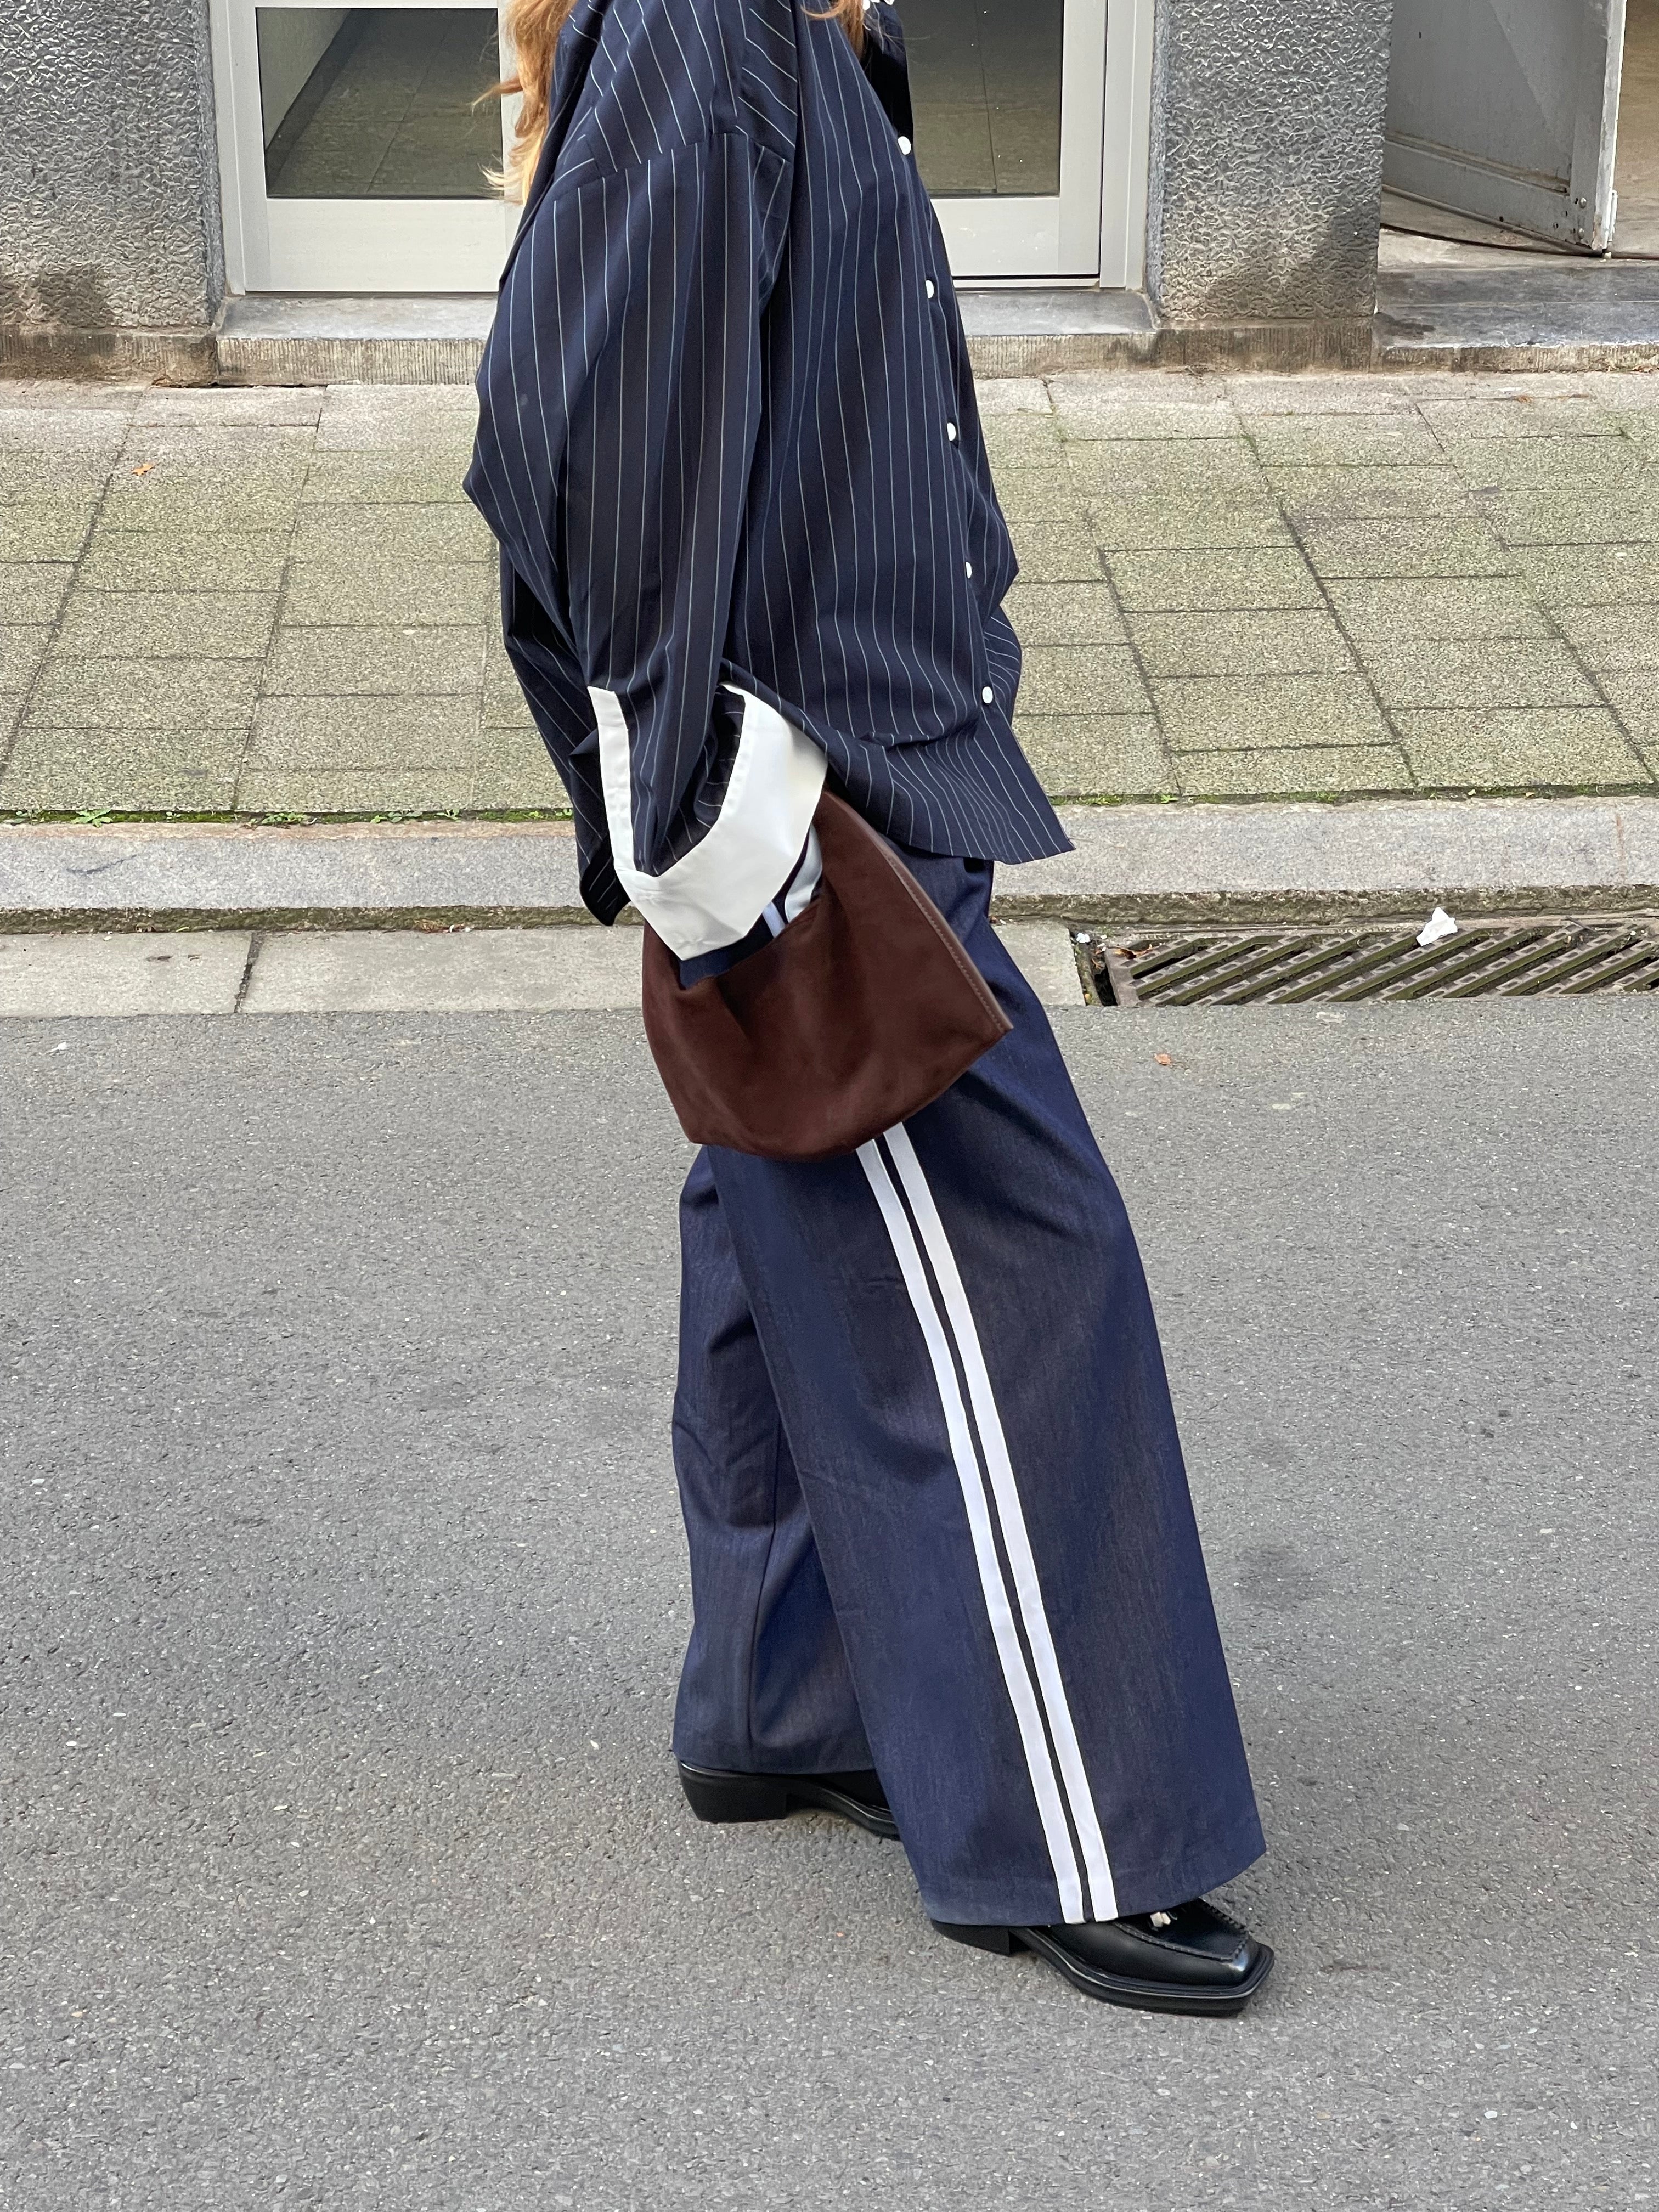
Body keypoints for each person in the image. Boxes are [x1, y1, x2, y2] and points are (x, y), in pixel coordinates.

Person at [466, 0, 1273, 2015]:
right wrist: (699, 824)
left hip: (878, 742)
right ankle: (1074, 1820)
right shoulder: (712, 24)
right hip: (822, 790)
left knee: (789, 1213)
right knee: (1014, 1264)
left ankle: (787, 1692)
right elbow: (574, 432)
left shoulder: (812, 25)